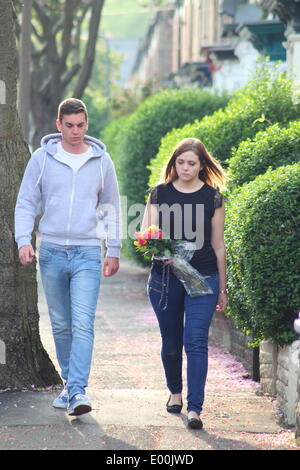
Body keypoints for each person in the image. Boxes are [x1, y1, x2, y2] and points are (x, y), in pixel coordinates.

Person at [14, 98, 121, 416]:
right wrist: (24, 239)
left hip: (88, 252)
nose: (76, 131)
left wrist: (113, 249)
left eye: (81, 125)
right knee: (61, 324)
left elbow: (112, 207)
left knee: (83, 322)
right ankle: (68, 385)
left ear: (87, 125)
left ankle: (77, 390)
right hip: (52, 252)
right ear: (59, 125)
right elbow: (26, 202)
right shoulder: (42, 159)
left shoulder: (102, 161)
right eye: (69, 125)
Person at [141, 137, 227, 429]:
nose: (186, 168)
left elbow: (218, 246)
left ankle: (195, 408)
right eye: (181, 162)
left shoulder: (212, 198)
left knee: (196, 341)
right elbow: (146, 235)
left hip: (203, 279)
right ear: (173, 163)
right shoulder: (159, 194)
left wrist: (223, 287)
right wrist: (161, 251)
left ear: (202, 166)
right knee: (172, 341)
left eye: (192, 163)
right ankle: (175, 392)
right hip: (165, 280)